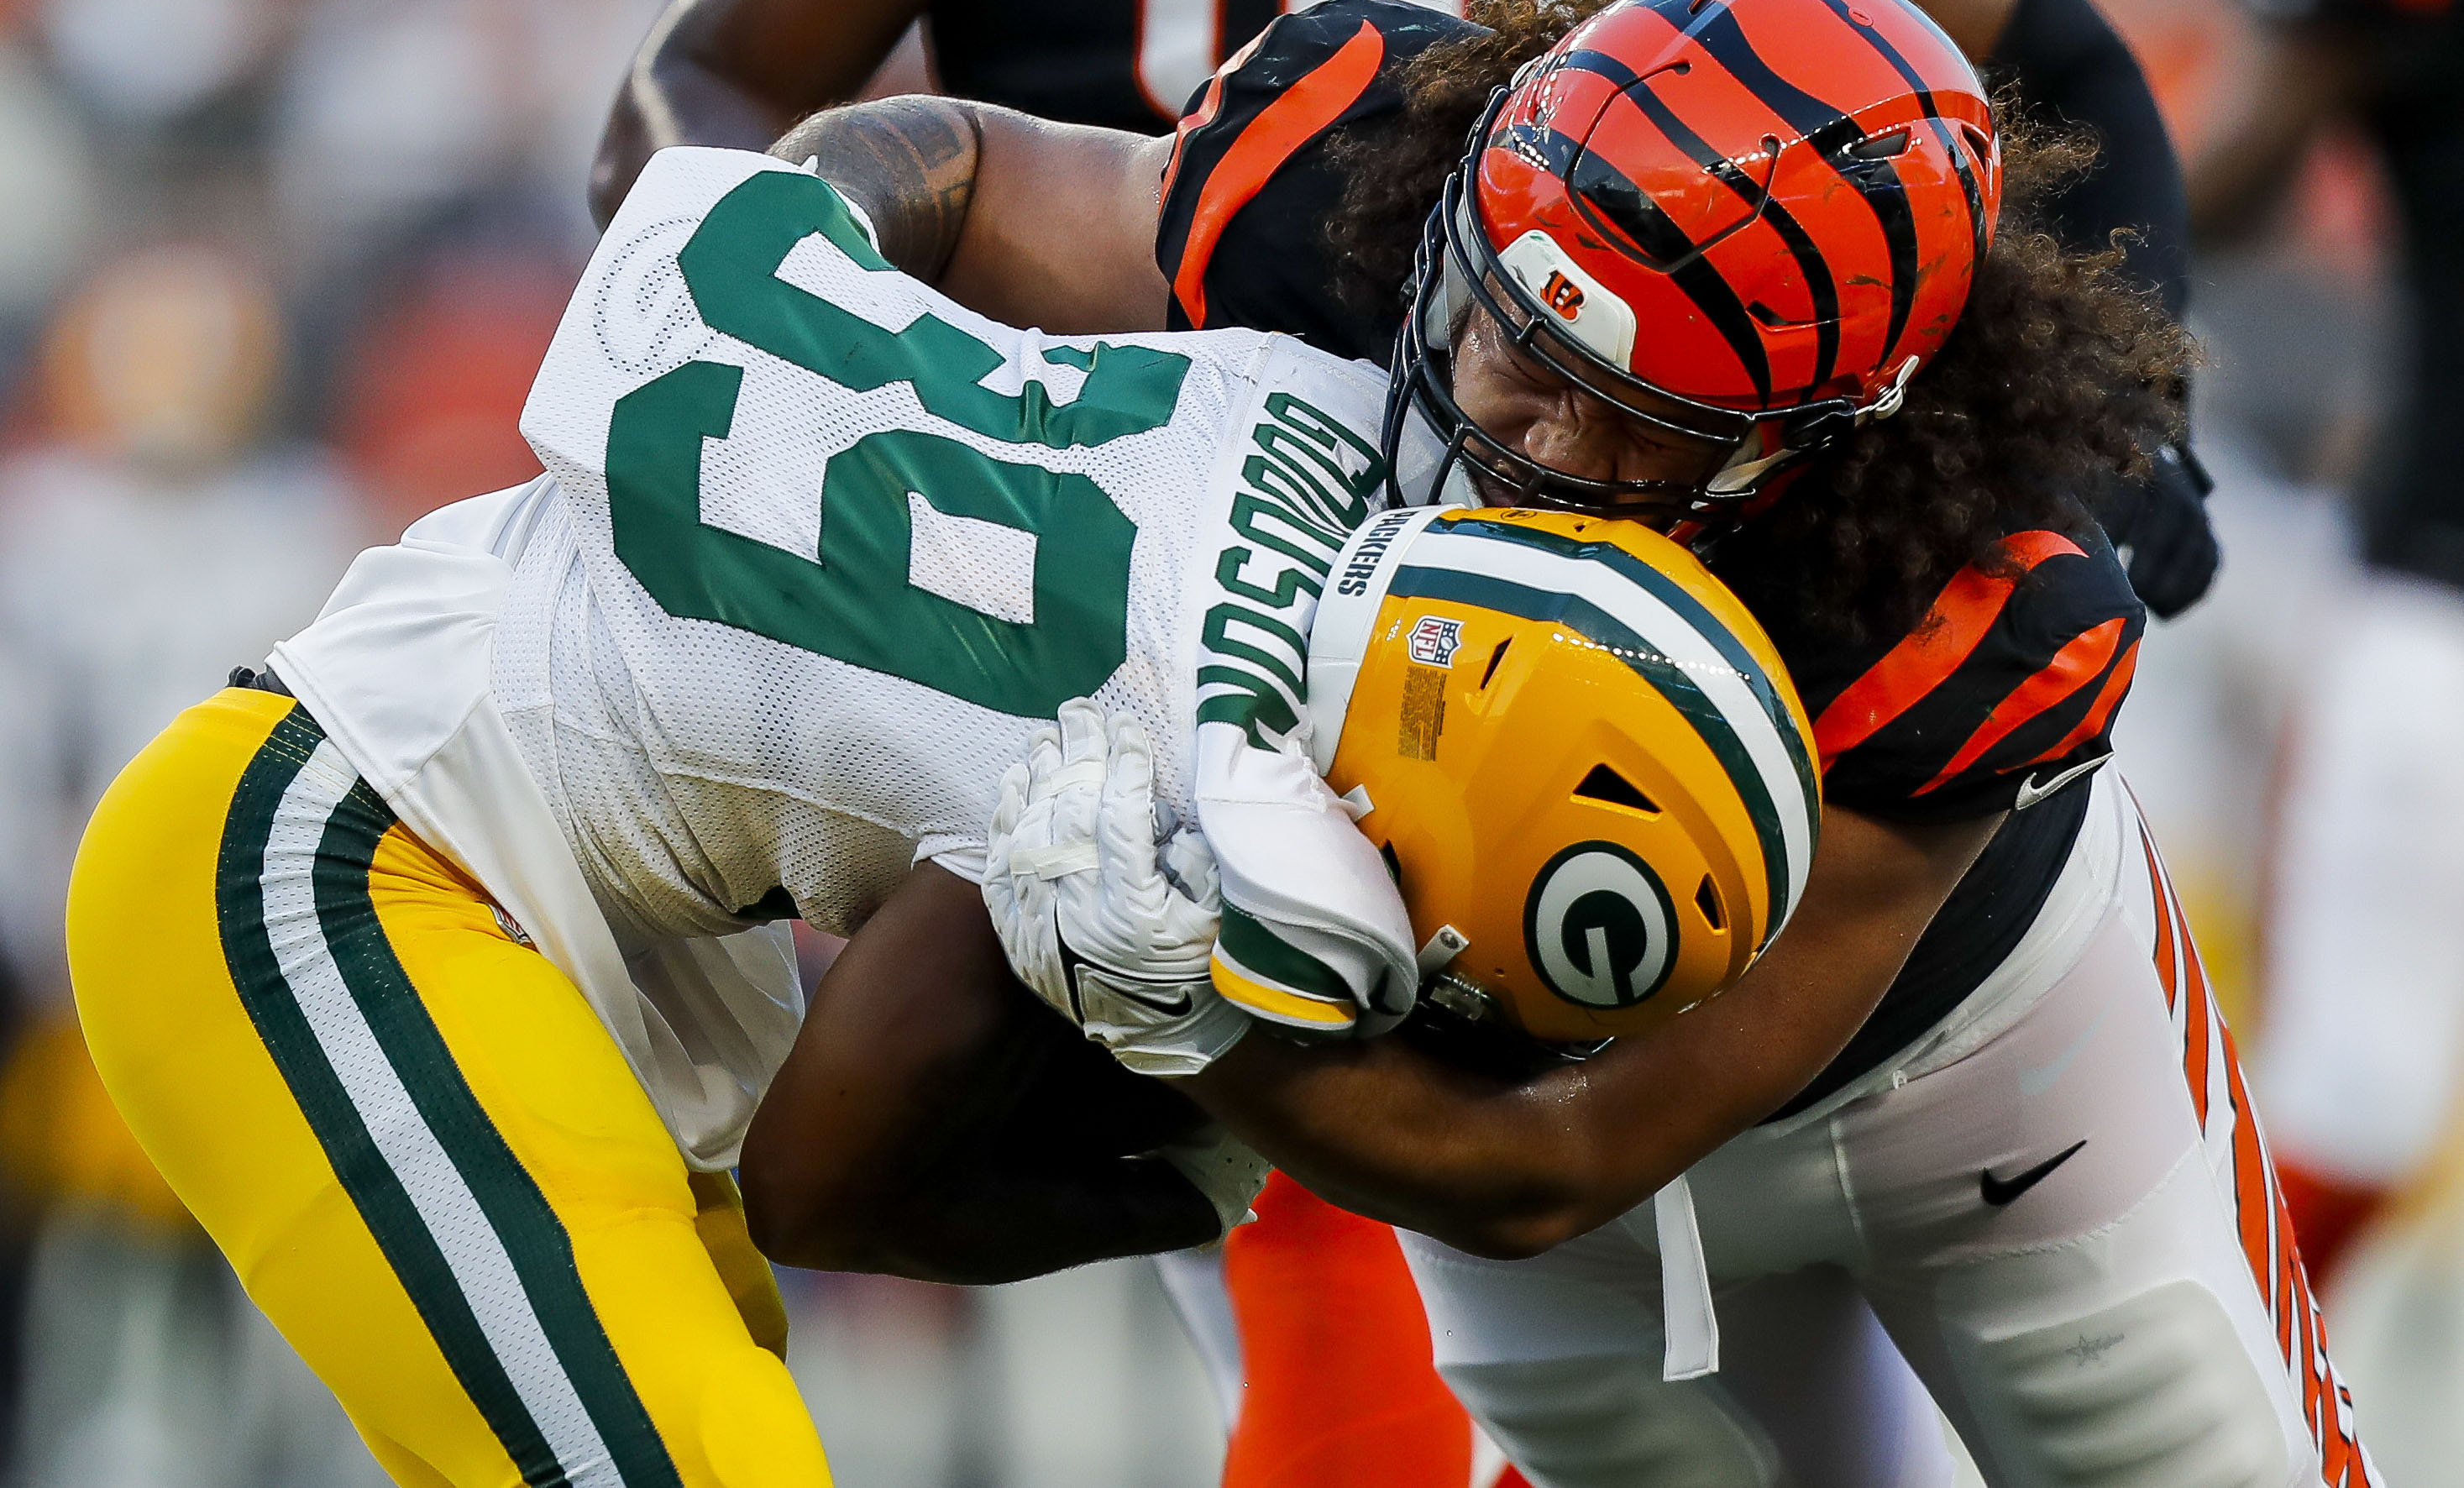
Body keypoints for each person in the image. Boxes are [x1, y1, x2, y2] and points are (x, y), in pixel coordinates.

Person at [789, 0, 2371, 1485]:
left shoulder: (1970, 594)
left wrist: (1193, 1008)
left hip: (1978, 1080)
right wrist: (748, 256)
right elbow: (965, 178)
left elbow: (1555, 1163)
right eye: (1508, 337)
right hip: (1499, 1057)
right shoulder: (1345, 169)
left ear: (1811, 442)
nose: (1515, 426)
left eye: (1630, 423)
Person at [58, 116, 1814, 1485]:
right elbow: (826, 1192)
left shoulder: (1317, 394)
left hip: (503, 837)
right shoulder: (1152, 777)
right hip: (343, 853)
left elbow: (932, 160)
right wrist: (1205, 1128)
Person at [588, 0, 2222, 631]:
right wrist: (791, 369)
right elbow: (696, 91)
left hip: (1571, 483)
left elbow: (2054, 63)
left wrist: (2132, 412)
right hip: (1081, 446)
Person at [2188, 0, 2464, 1297]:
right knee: (2349, 1110)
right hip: (2433, 593)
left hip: (2431, 597)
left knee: (2349, 1112)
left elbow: (2211, 191)